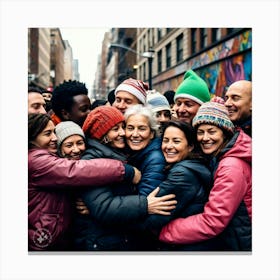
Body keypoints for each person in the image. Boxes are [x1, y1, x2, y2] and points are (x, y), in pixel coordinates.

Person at [28, 113, 141, 251]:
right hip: (42, 240)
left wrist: (88, 203)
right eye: (47, 134)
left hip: (56, 237)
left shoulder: (47, 156)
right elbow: (76, 171)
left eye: (54, 132)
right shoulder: (36, 161)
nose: (54, 138)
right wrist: (125, 171)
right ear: (33, 137)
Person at [73, 106, 177, 251]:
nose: (124, 133)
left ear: (152, 133)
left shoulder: (147, 158)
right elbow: (105, 207)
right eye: (116, 129)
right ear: (103, 134)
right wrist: (144, 204)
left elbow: (149, 214)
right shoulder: (94, 160)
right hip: (104, 242)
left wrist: (95, 211)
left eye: (123, 127)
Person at [159, 99, 252, 251]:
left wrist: (165, 231)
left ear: (225, 133)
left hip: (240, 243)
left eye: (212, 131)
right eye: (200, 132)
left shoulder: (231, 167)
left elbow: (213, 221)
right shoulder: (219, 158)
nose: (205, 137)